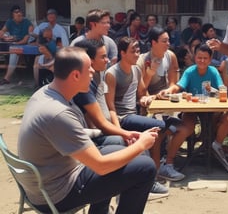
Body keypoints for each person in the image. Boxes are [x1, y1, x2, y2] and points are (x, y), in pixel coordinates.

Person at [17, 46, 158, 214]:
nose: (92, 71)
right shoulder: (58, 113)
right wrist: (141, 145)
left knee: (117, 148)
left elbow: (70, 134)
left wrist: (125, 135)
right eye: (89, 68)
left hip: (49, 180)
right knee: (146, 167)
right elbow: (101, 167)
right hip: (57, 193)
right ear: (75, 75)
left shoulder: (45, 93)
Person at [73, 38, 168, 198]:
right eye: (103, 57)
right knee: (136, 146)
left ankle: (144, 180)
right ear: (89, 61)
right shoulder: (88, 83)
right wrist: (125, 133)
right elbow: (102, 119)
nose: (108, 60)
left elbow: (94, 113)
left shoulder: (98, 76)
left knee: (138, 143)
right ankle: (143, 183)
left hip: (96, 132)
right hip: (92, 139)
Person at [105, 36, 172, 197]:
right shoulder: (112, 74)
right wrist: (118, 129)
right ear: (122, 53)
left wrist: (151, 98)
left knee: (159, 127)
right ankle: (152, 176)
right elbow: (110, 106)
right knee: (159, 127)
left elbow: (141, 94)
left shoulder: (135, 69)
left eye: (138, 50)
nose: (137, 54)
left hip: (134, 113)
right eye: (133, 51)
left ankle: (152, 173)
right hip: (122, 118)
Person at [160, 43, 228, 175]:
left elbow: (221, 89)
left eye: (205, 58)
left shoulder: (213, 71)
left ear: (210, 58)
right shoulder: (190, 71)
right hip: (191, 110)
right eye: (199, 57)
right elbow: (178, 86)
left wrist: (216, 89)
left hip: (211, 111)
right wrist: (168, 90)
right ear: (195, 57)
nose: (202, 61)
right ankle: (169, 161)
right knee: (186, 128)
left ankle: (216, 146)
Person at [136, 25, 186, 181]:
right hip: (150, 109)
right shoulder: (143, 60)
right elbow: (141, 92)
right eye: (164, 41)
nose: (168, 44)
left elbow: (173, 83)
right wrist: (150, 74)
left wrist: (169, 91)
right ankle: (155, 170)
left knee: (186, 128)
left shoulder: (170, 56)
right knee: (158, 132)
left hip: (168, 106)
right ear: (153, 42)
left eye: (168, 40)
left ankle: (167, 163)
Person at [0, 5, 34, 85]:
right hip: (11, 43)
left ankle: (6, 78)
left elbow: (27, 38)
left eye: (20, 12)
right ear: (13, 15)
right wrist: (5, 38)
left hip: (24, 44)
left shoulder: (27, 22)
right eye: (16, 12)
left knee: (14, 51)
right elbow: (2, 32)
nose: (19, 14)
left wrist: (15, 43)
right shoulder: (10, 21)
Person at [202, 23, 228, 87]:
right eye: (210, 31)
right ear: (205, 34)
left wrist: (223, 62)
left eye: (213, 31)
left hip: (222, 64)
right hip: (212, 65)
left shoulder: (221, 41)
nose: (213, 33)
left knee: (226, 65)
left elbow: (226, 53)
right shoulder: (204, 45)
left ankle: (225, 91)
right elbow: (206, 58)